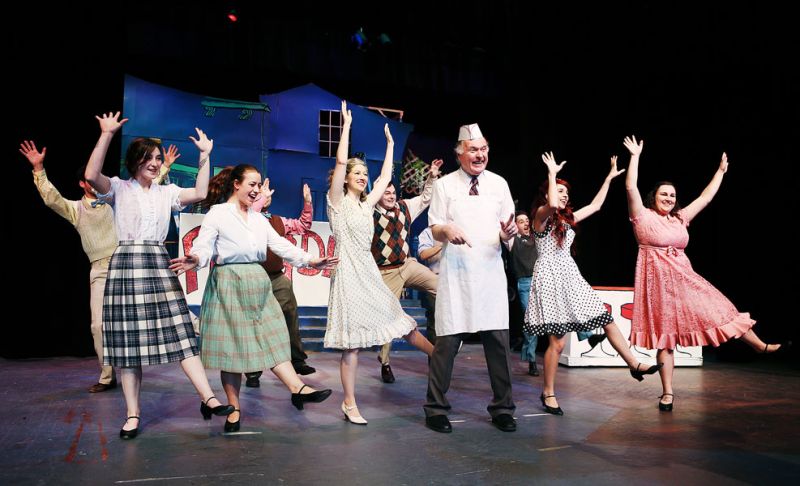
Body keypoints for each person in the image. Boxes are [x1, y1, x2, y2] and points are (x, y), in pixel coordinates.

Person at [84, 111, 233, 439]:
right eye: (149, 157)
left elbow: (200, 192)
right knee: (128, 346)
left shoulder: (167, 192)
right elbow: (91, 174)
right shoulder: (119, 188)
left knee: (182, 333)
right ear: (135, 160)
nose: (154, 162)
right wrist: (106, 133)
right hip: (126, 263)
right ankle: (133, 414)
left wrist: (205, 156)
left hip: (156, 261)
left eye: (156, 158)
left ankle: (208, 398)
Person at [623, 135, 787, 412]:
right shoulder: (642, 216)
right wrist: (635, 156)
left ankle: (760, 346)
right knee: (666, 338)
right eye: (664, 194)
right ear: (654, 197)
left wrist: (720, 173)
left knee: (721, 309)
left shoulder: (679, 218)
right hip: (657, 286)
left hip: (686, 280)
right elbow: (630, 187)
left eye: (672, 195)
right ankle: (667, 393)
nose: (668, 198)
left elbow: (706, 197)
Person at [171, 164, 336, 432]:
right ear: (236, 184)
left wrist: (311, 260)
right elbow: (204, 243)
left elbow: (281, 245)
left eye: (259, 185)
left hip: (258, 282)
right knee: (233, 351)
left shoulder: (259, 220)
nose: (257, 189)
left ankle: (297, 387)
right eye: (252, 184)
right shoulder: (219, 213)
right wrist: (197, 258)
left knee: (274, 335)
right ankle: (234, 408)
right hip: (229, 283)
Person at [524, 151, 661, 416]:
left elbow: (596, 206)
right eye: (559, 191)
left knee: (606, 320)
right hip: (550, 278)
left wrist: (609, 178)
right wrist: (552, 174)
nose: (563, 196)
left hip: (571, 276)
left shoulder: (568, 220)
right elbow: (552, 203)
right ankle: (548, 392)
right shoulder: (540, 216)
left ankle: (633, 364)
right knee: (558, 342)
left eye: (566, 192)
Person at [325, 101, 433, 425]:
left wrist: (390, 145)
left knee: (402, 321)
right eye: (356, 173)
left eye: (364, 174)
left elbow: (386, 175)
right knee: (353, 347)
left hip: (369, 274)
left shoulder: (365, 205)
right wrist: (345, 126)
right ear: (345, 179)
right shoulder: (337, 203)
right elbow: (342, 160)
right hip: (347, 275)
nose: (361, 177)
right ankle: (349, 403)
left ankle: (440, 359)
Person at [423, 123, 519, 434]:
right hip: (458, 274)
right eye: (474, 150)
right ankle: (435, 408)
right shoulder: (445, 186)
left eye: (484, 149)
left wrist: (508, 234)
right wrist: (446, 230)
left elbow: (509, 229)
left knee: (498, 345)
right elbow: (435, 225)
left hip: (490, 272)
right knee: (447, 343)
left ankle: (503, 408)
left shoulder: (499, 184)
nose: (480, 155)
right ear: (460, 154)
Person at [21, 141, 119, 392]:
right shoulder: (76, 210)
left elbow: (140, 194)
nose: (95, 183)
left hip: (125, 265)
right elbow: (52, 199)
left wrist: (163, 171)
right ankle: (107, 376)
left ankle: (135, 371)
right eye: (90, 180)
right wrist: (39, 169)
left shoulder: (113, 200)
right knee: (98, 325)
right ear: (82, 184)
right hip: (99, 269)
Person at [372, 159, 442, 383]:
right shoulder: (369, 213)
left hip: (407, 265)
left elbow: (425, 198)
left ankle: (452, 336)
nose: (391, 196)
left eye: (393, 192)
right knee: (390, 320)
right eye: (386, 193)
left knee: (442, 288)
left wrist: (431, 177)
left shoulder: (404, 207)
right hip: (386, 272)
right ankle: (384, 362)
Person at [244, 180, 318, 388]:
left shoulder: (277, 220)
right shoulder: (246, 217)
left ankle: (297, 360)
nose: (266, 195)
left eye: (267, 193)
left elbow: (303, 226)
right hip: (254, 277)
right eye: (259, 193)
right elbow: (252, 217)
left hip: (276, 277)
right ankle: (252, 371)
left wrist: (307, 203)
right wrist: (259, 198)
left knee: (289, 311)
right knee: (254, 322)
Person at [416, 226, 442, 345]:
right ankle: (434, 359)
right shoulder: (428, 232)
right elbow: (423, 254)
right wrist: (443, 245)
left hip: (455, 280)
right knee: (434, 322)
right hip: (436, 279)